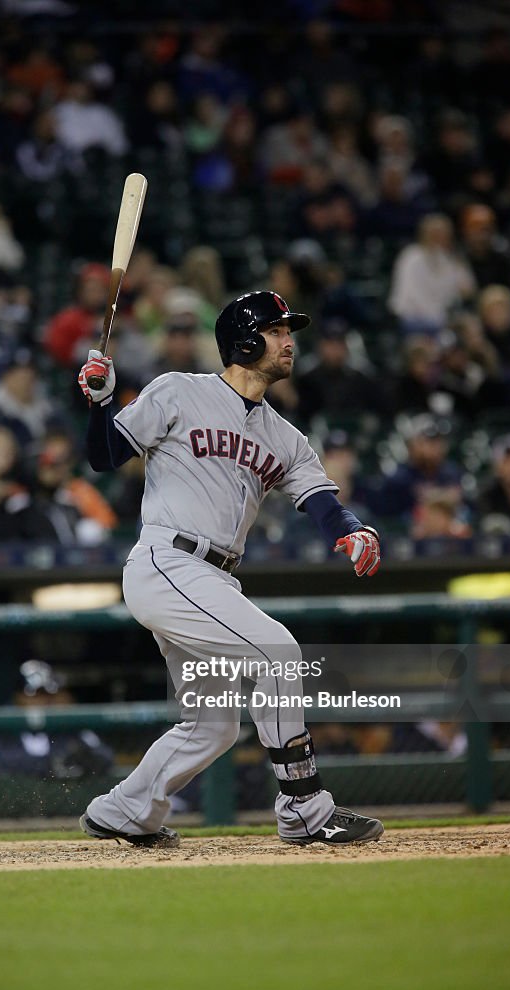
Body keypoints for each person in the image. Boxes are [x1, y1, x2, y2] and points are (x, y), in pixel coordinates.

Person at [76, 290, 384, 848]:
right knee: (279, 652)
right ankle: (306, 809)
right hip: (167, 561)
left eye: (290, 330)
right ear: (243, 340)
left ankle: (125, 811)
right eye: (277, 330)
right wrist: (100, 402)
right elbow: (105, 456)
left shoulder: (286, 437)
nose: (289, 341)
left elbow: (322, 502)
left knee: (213, 725)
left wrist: (351, 530)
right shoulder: (179, 390)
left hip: (213, 577)